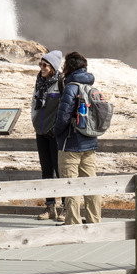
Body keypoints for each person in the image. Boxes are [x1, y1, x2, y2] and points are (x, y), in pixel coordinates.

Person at [53, 51, 102, 225]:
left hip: (71, 144)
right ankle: (94, 220)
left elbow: (64, 116)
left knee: (70, 185)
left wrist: (56, 132)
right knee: (91, 184)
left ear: (69, 67)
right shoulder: (91, 87)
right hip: (90, 143)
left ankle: (73, 222)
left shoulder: (71, 87)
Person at [31, 50, 66, 222]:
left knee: (60, 171)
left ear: (53, 67)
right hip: (41, 132)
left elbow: (63, 109)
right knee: (46, 171)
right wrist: (35, 122)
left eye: (45, 65)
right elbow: (34, 104)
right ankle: (50, 207)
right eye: (40, 64)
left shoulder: (60, 83)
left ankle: (65, 208)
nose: (41, 68)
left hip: (54, 134)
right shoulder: (39, 82)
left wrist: (56, 128)